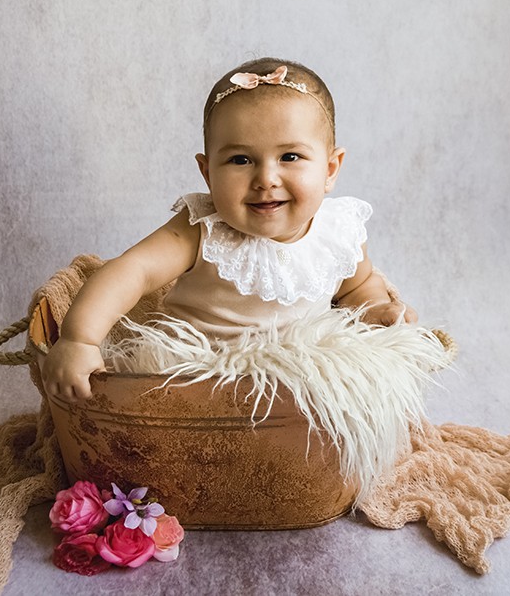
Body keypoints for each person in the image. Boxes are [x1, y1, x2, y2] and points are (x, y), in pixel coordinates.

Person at [39, 57, 417, 402]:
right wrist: (80, 337)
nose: (266, 179)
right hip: (196, 380)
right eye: (240, 159)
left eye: (290, 157)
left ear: (330, 169)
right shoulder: (202, 229)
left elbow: (357, 285)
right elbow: (132, 271)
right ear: (207, 173)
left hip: (295, 386)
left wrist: (375, 310)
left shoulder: (340, 231)